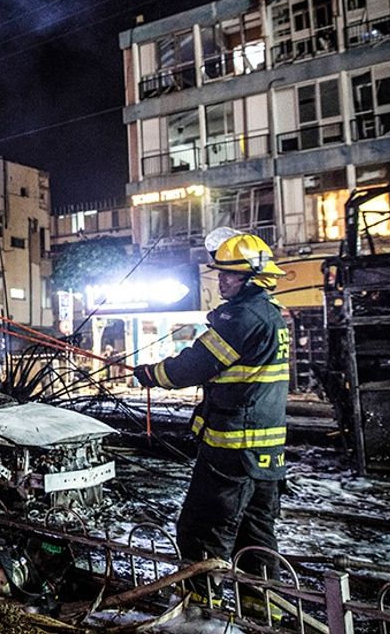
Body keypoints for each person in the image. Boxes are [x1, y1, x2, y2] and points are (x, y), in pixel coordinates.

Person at [133, 233, 289, 612]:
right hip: (263, 453)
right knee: (254, 533)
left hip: (233, 449)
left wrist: (151, 374)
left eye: (229, 276)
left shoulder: (244, 317)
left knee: (202, 528)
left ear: (252, 277)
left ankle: (200, 608)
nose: (220, 282)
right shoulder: (267, 314)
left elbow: (195, 365)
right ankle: (259, 604)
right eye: (220, 274)